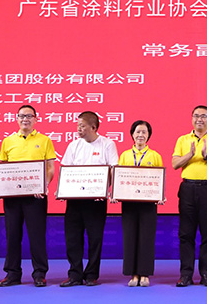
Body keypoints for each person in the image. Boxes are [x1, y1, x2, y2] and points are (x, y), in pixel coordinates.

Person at [0, 104, 56, 287]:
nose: (25, 119)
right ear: (16, 119)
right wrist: (0, 188)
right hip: (12, 197)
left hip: (36, 196)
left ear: (36, 119)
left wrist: (44, 186)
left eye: (29, 116)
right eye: (22, 116)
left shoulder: (45, 140)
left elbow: (50, 168)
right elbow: (3, 170)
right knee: (12, 235)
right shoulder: (8, 141)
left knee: (37, 236)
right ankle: (12, 273)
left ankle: (39, 273)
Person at [59, 111, 118, 287]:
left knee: (95, 238)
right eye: (78, 126)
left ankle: (92, 274)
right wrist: (62, 190)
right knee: (72, 238)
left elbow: (113, 170)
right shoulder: (73, 145)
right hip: (75, 200)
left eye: (82, 126)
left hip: (96, 201)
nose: (78, 129)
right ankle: (74, 274)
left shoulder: (107, 144)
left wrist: (105, 190)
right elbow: (65, 170)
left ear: (93, 127)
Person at [172, 105, 207, 287]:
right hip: (188, 188)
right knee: (186, 234)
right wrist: (190, 154)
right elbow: (175, 164)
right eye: (196, 116)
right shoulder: (183, 139)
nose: (200, 119)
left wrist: (206, 156)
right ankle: (186, 274)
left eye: (204, 116)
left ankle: (206, 273)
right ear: (192, 119)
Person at [117, 120, 163, 287]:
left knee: (146, 237)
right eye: (138, 132)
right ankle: (133, 274)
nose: (141, 135)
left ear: (149, 135)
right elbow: (119, 178)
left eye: (144, 132)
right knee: (130, 237)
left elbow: (160, 179)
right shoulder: (125, 155)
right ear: (132, 134)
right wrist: (116, 193)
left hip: (148, 203)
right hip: (129, 203)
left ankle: (145, 274)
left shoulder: (155, 156)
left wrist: (160, 195)